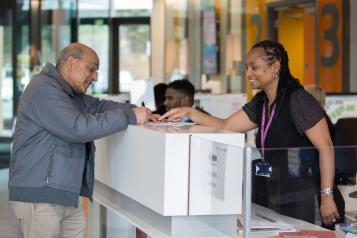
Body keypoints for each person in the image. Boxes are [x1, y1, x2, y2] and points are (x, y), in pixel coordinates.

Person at [159, 40, 342, 227]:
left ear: (275, 66)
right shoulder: (262, 101)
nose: (248, 73)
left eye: (254, 67)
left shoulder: (298, 99)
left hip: (306, 195)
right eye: (247, 68)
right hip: (278, 192)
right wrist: (190, 112)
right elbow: (227, 126)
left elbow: (326, 147)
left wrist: (327, 196)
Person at [8, 42, 157, 238]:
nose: (94, 77)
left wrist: (138, 110)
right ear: (71, 62)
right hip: (40, 195)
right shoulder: (44, 88)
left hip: (65, 194)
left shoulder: (69, 93)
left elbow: (99, 107)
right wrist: (130, 117)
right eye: (92, 68)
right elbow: (77, 128)